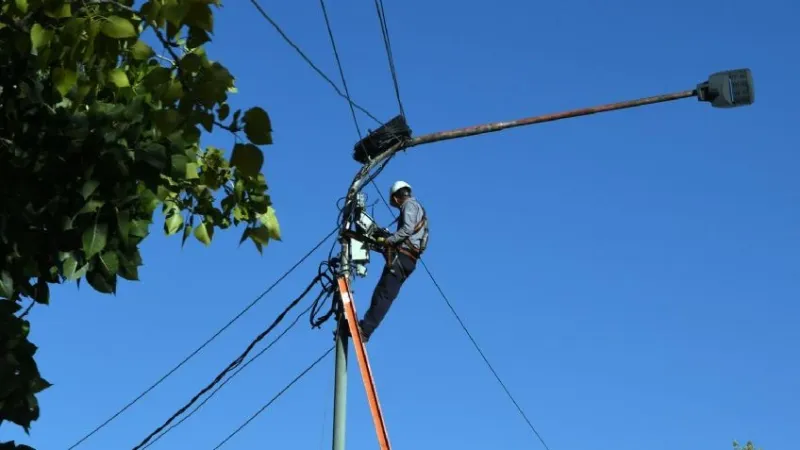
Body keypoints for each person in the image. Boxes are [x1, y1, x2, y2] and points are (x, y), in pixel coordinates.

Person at [357, 180, 429, 342]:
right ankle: (366, 329)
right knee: (385, 295)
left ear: (397, 198)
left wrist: (388, 241)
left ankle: (365, 330)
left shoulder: (409, 205)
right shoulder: (418, 209)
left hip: (403, 257)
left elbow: (406, 230)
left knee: (382, 294)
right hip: (409, 260)